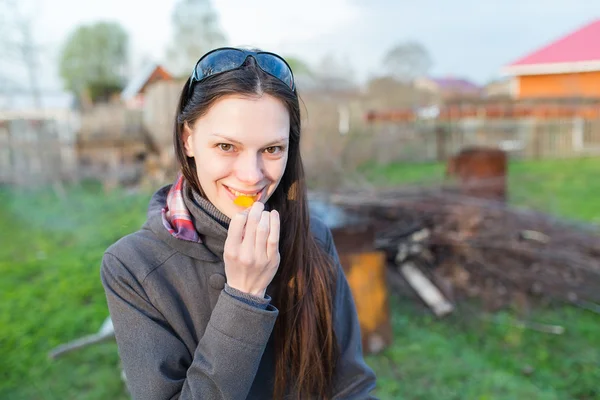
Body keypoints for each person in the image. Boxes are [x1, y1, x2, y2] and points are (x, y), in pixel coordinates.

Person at [100, 47, 377, 400]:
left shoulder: (312, 238)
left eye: (272, 149)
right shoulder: (132, 267)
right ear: (188, 140)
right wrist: (243, 298)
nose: (251, 176)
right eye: (227, 146)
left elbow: (351, 385)